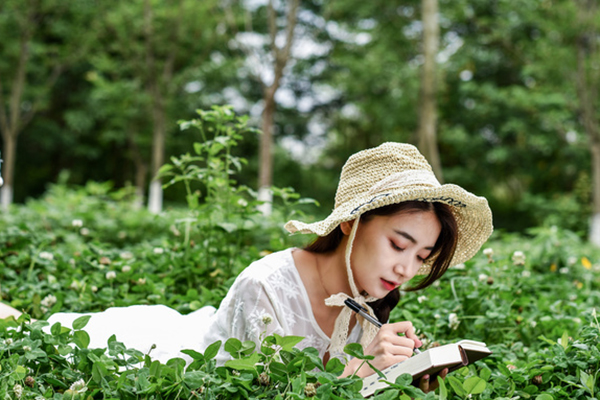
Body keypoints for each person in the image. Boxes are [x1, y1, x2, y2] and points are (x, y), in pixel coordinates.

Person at [0, 142, 493, 393]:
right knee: (43, 336)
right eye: (398, 244)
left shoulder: (370, 296)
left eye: (422, 256)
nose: (406, 267)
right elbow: (267, 391)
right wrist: (365, 365)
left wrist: (400, 373)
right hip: (177, 359)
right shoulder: (266, 285)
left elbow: (346, 382)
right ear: (351, 224)